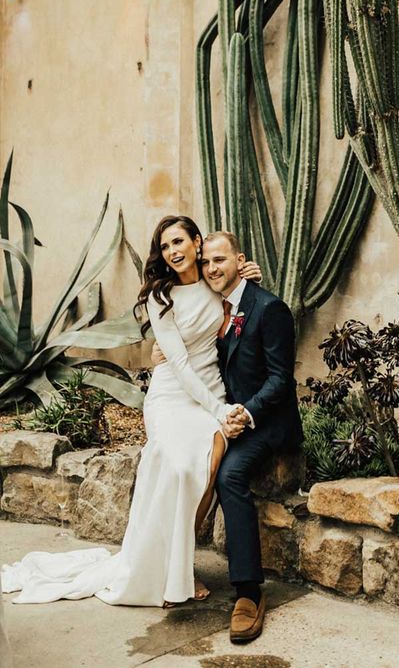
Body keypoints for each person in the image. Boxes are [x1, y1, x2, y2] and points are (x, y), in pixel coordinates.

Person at [1, 216, 262, 610]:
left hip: (212, 392)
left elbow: (240, 297)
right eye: (164, 246)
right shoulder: (160, 297)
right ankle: (167, 570)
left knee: (206, 474)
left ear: (197, 242)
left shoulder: (213, 281)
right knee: (175, 467)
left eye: (179, 241)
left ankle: (180, 564)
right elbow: (177, 363)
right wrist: (220, 409)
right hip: (174, 395)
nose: (172, 251)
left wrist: (250, 275)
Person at [159, 229, 302, 642]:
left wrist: (246, 413)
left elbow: (281, 380)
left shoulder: (269, 308)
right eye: (206, 262)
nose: (211, 268)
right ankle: (172, 566)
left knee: (229, 475)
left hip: (267, 419)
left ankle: (248, 593)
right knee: (188, 462)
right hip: (223, 414)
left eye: (219, 260)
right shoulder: (212, 301)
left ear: (240, 261)